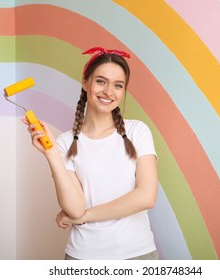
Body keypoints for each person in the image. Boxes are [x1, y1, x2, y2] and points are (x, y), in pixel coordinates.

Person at [22, 47, 158, 260]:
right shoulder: (65, 142)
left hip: (136, 254)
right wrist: (51, 155)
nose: (109, 92)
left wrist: (86, 217)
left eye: (118, 85)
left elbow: (146, 197)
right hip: (83, 257)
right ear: (85, 83)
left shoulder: (137, 131)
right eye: (101, 81)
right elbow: (75, 209)